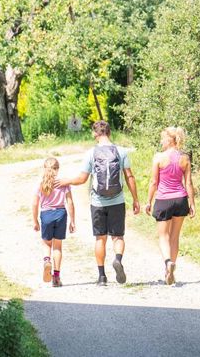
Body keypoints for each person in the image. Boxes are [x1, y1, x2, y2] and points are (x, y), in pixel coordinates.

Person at [58, 120, 140, 286]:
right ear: (109, 132)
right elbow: (129, 176)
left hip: (98, 202)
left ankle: (102, 277)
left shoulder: (91, 153)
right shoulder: (121, 151)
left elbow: (82, 179)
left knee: (100, 239)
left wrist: (66, 181)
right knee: (118, 236)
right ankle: (117, 259)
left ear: (95, 134)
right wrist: (136, 199)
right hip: (117, 201)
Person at [146, 126, 196, 285]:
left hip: (164, 200)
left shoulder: (159, 158)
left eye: (162, 138)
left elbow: (154, 182)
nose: (161, 141)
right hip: (181, 200)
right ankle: (171, 269)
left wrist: (148, 201)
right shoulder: (185, 158)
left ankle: (168, 263)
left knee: (163, 236)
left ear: (169, 140)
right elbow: (188, 183)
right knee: (174, 237)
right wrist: (192, 203)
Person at [32, 157, 76, 287]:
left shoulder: (40, 184)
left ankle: (47, 261)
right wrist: (72, 221)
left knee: (47, 244)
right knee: (57, 247)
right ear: (57, 169)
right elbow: (70, 202)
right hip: (61, 214)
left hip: (46, 215)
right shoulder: (63, 183)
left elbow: (35, 204)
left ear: (44, 169)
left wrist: (35, 221)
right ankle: (56, 277)